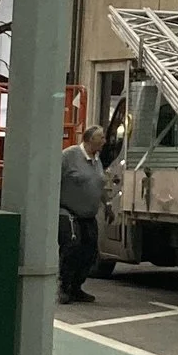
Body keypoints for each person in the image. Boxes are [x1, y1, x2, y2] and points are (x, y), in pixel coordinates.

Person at [57, 114, 122, 305]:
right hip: (68, 211)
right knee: (72, 246)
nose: (104, 140)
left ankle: (77, 287)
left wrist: (108, 205)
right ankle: (64, 287)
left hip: (88, 215)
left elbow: (99, 184)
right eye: (100, 137)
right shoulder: (68, 156)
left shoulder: (97, 159)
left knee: (90, 251)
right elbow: (54, 180)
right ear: (88, 139)